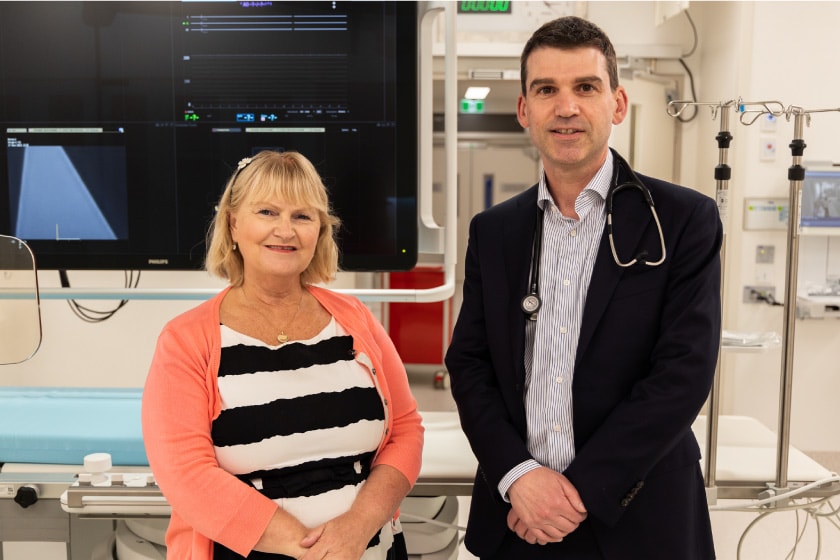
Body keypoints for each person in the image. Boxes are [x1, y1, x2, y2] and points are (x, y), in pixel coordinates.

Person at [444, 16, 722, 560]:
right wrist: (520, 477)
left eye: (585, 87)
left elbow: (682, 375)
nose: (566, 106)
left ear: (616, 104)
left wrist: (575, 493)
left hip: (639, 517)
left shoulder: (682, 219)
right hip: (518, 519)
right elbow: (470, 364)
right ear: (525, 110)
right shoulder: (495, 231)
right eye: (546, 89)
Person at [142, 149, 424, 560]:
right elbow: (187, 475)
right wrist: (315, 551)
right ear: (233, 223)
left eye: (302, 216)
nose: (285, 230)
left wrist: (357, 528)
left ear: (320, 232)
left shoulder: (355, 319)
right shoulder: (186, 341)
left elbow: (405, 431)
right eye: (268, 212)